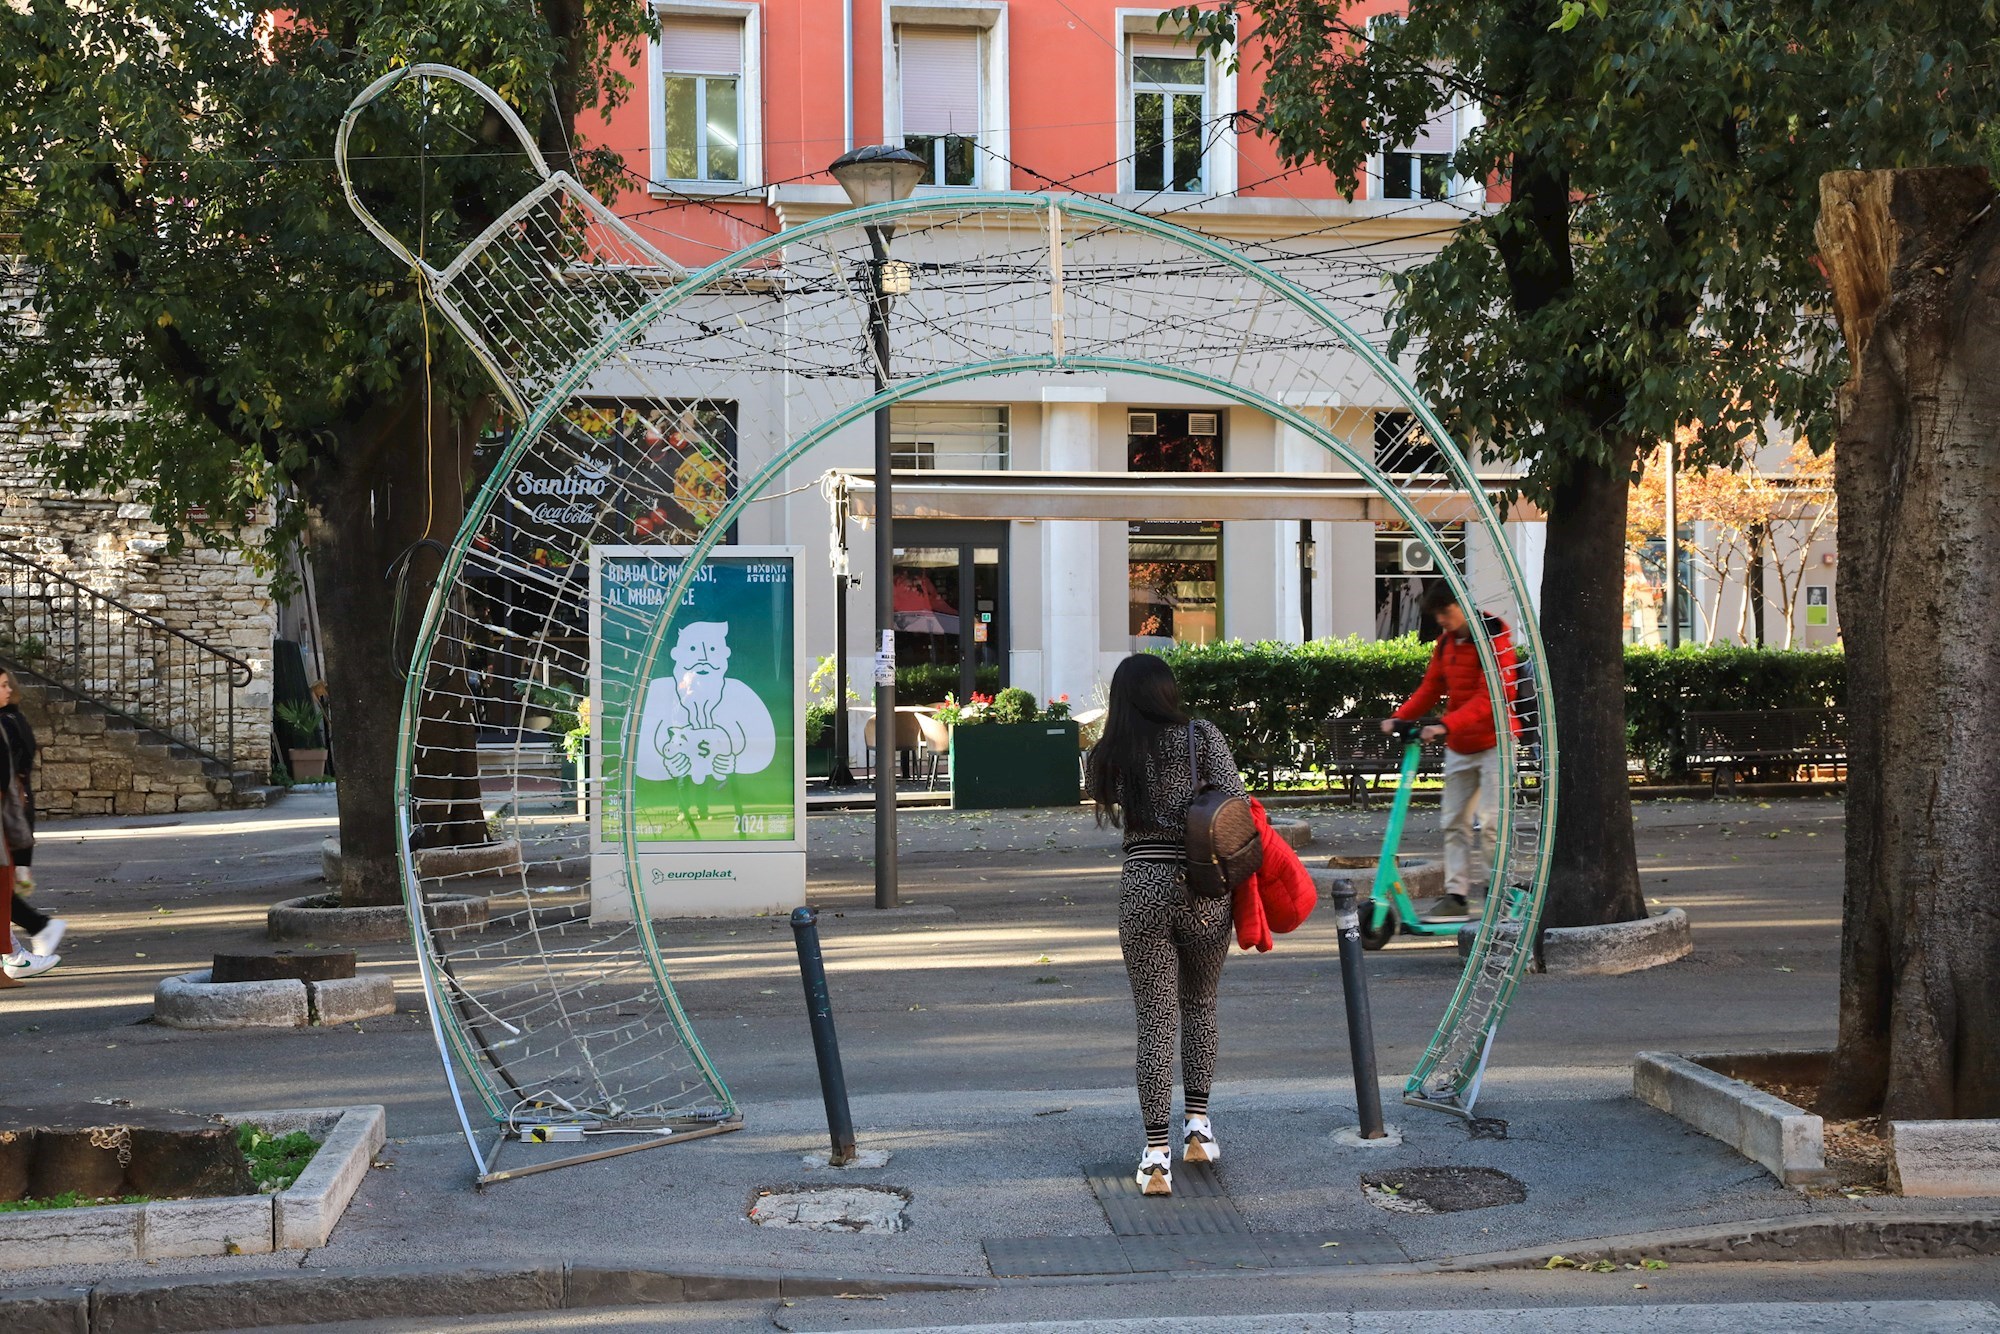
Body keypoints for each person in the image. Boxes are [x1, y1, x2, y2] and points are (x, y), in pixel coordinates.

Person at [1085, 654, 1246, 1197]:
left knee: (1154, 1019)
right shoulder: (1202, 736)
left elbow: (1099, 793)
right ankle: (1197, 1129)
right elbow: (1237, 806)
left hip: (1143, 886)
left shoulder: (1108, 753)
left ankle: (1156, 1157)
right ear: (1166, 691)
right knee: (1200, 1004)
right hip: (1202, 885)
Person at [1382, 582, 1519, 922]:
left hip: (1495, 743)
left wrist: (1446, 725)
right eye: (1437, 614)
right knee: (1453, 823)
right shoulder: (1445, 645)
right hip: (1461, 745)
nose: (1441, 620)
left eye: (1445, 612)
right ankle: (1456, 897)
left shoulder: (1494, 641)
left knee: (1491, 824)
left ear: (1462, 605)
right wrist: (1400, 717)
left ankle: (1497, 893)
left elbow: (1493, 699)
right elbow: (1430, 687)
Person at [0, 668, 59, 984]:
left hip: (9, 810)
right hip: (10, 810)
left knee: (4, 886)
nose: (7, 690)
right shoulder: (9, 721)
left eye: (8, 684)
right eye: (1, 685)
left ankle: (15, 953)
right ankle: (17, 951)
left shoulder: (9, 720)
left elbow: (12, 776)